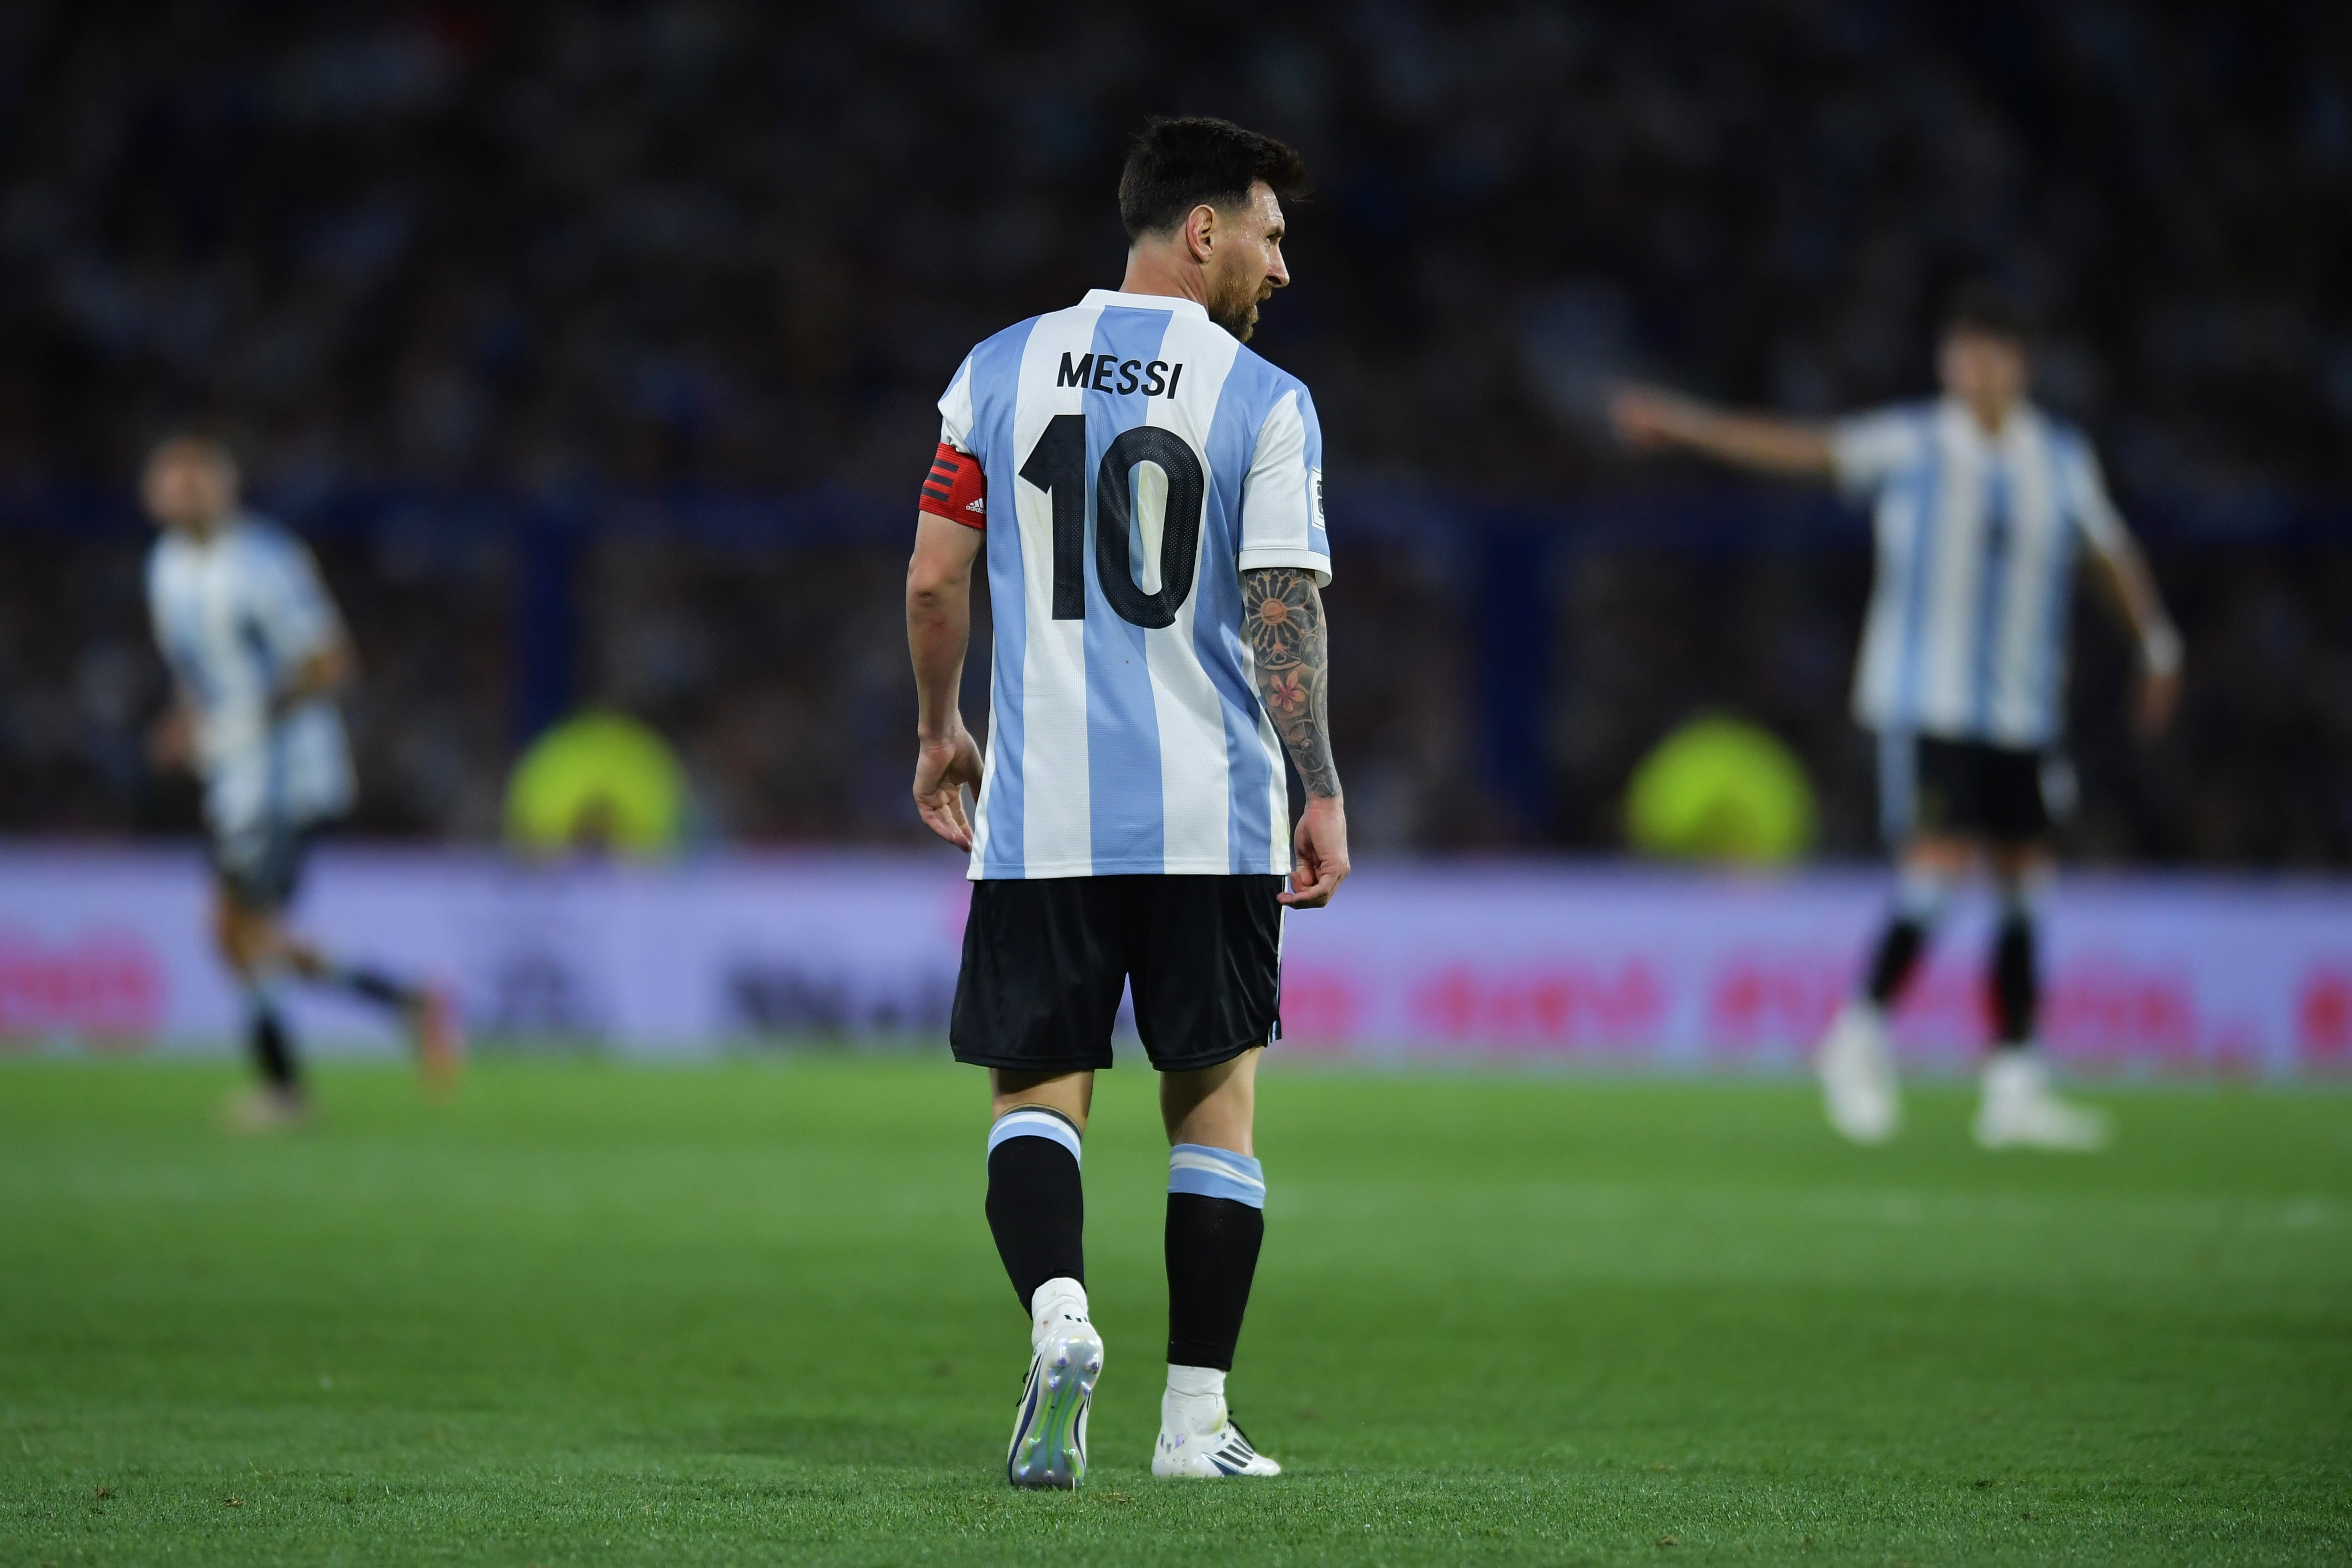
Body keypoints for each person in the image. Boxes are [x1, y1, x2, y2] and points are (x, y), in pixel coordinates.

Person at [905, 116, 1348, 1487]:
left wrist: (940, 729)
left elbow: (933, 579)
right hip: (1210, 817)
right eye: (1271, 236)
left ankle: (1058, 1311)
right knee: (1215, 1110)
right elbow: (1283, 603)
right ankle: (1193, 1422)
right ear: (1203, 230)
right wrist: (1318, 784)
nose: (1283, 268)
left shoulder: (995, 369)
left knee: (1036, 1098)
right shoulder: (1266, 402)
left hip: (1044, 824)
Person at [1610, 286, 2181, 1151]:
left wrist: (2160, 645)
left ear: (2019, 365)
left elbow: (2109, 552)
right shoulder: (1914, 445)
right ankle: (1858, 1034)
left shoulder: (2059, 459)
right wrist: (1686, 426)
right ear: (1949, 362)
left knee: (2027, 887)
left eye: (1992, 352)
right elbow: (1799, 450)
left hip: (2023, 712)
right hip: (1931, 704)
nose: (1975, 369)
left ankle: (2015, 1082)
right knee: (1938, 871)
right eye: (1963, 351)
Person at [143, 434, 460, 1128]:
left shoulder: (264, 562)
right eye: (174, 481)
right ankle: (404, 1003)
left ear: (227, 486)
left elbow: (328, 663)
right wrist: (188, 724)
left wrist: (244, 718)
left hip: (291, 777)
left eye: (199, 479)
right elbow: (202, 677)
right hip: (233, 777)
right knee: (243, 933)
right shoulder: (165, 568)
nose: (185, 493)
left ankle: (286, 1087)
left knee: (233, 927)